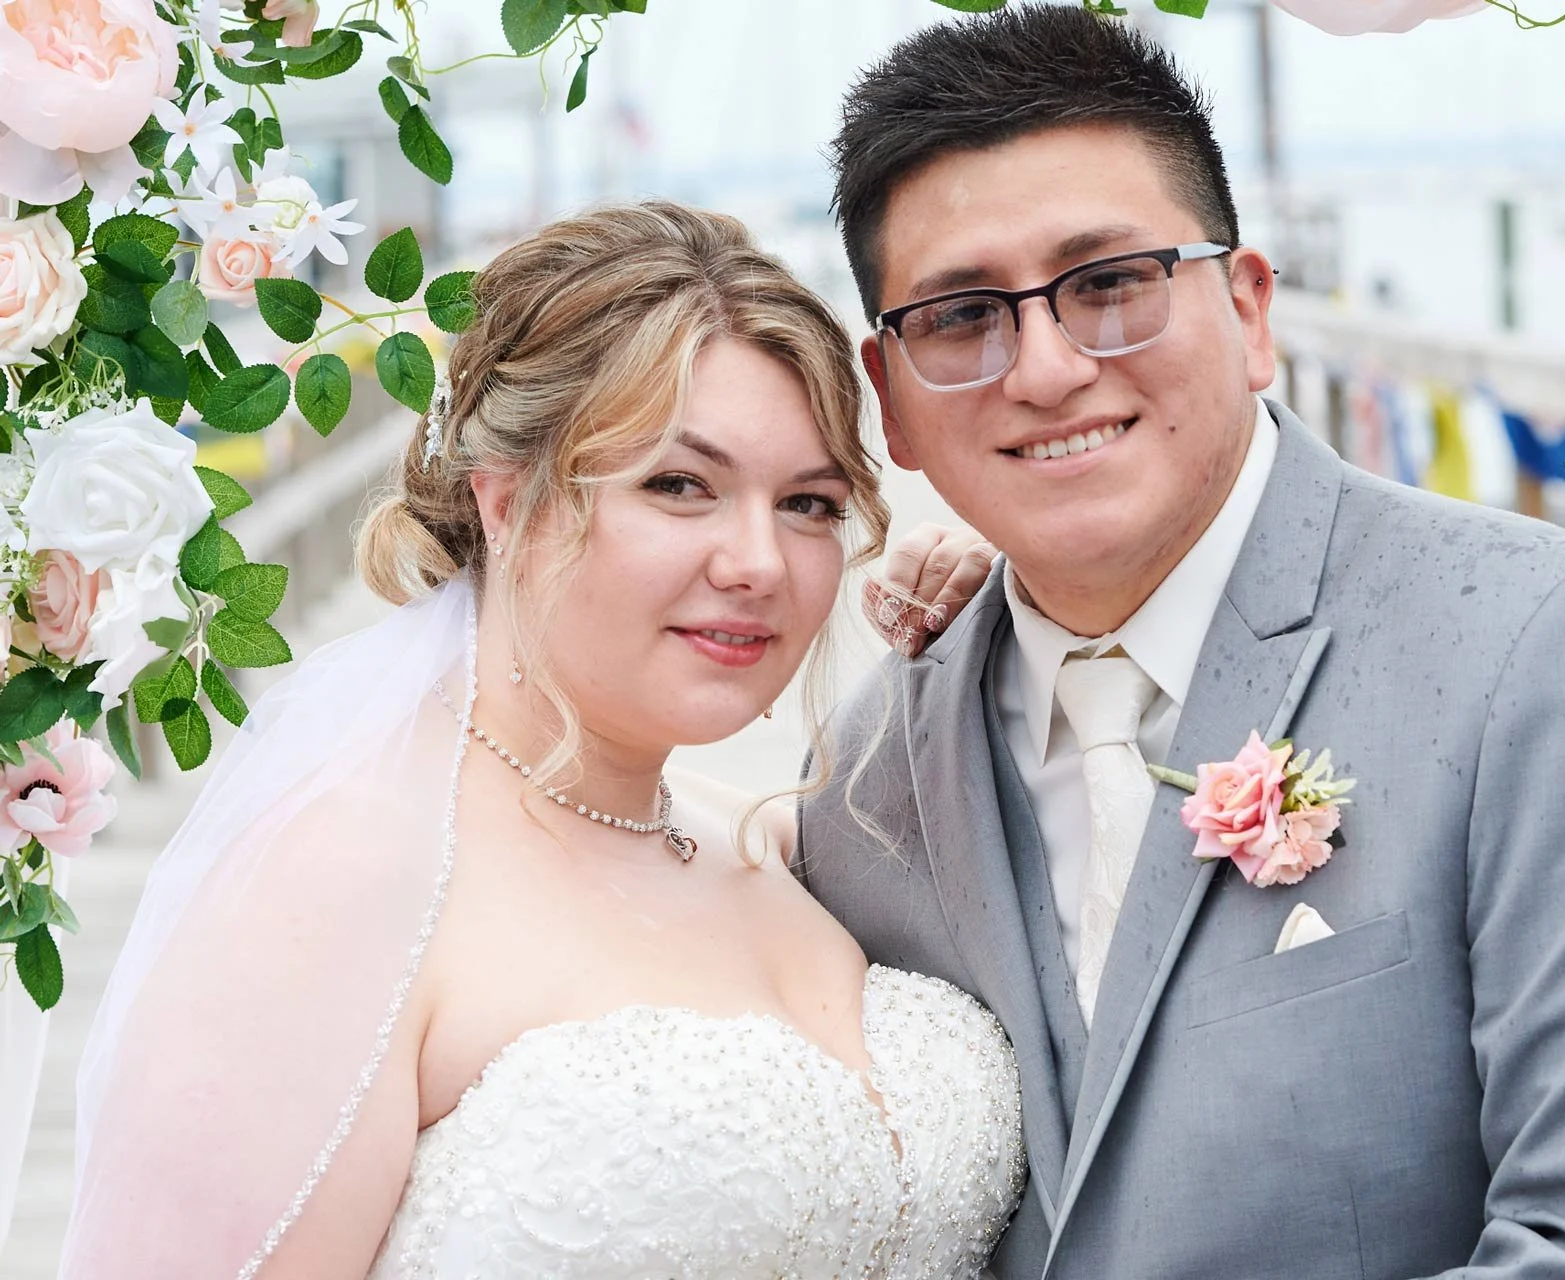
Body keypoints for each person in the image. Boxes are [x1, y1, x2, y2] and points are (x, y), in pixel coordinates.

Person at [798, 8, 1565, 1279]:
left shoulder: (1544, 654)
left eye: (1109, 284)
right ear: (893, 402)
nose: (1042, 369)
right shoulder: (866, 778)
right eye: (961, 316)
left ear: (1251, 308)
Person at [61, 202, 1025, 1279]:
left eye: (807, 502)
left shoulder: (764, 843)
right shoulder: (343, 874)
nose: (760, 560)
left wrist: (1011, 636)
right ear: (508, 499)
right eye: (678, 484)